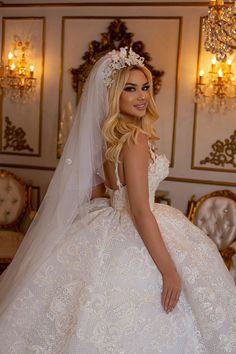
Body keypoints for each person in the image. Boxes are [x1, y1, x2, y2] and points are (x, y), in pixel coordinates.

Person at [0, 47, 236, 354]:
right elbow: (139, 210)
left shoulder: (106, 138)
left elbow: (97, 194)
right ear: (114, 94)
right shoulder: (135, 140)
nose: (141, 96)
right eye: (130, 89)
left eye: (145, 87)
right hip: (141, 220)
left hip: (107, 219)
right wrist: (168, 270)